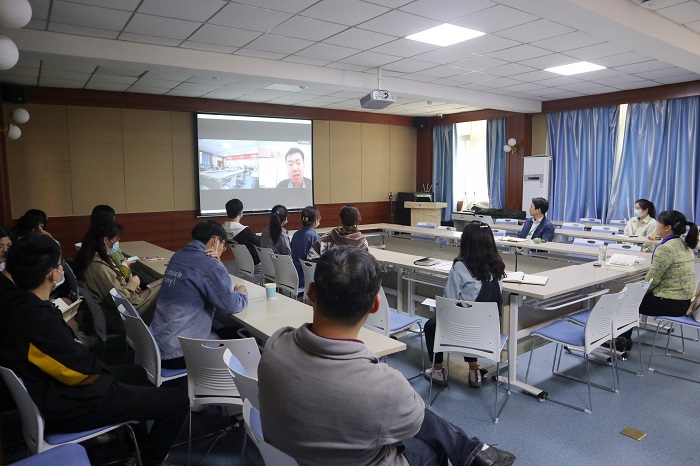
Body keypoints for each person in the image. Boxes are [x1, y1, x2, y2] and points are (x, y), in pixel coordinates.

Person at [258, 247, 516, 466]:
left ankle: (472, 451)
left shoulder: (274, 347)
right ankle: (472, 452)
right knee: (431, 446)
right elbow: (415, 424)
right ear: (374, 305)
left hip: (292, 456)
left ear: (312, 292)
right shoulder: (383, 385)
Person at [0, 234, 189, 466]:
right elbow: (83, 372)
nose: (62, 269)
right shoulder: (37, 320)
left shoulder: (18, 305)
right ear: (52, 274)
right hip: (73, 403)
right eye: (60, 264)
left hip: (54, 389)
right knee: (177, 402)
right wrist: (77, 347)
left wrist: (74, 346)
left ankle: (136, 448)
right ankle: (150, 461)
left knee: (137, 373)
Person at [150, 221, 249, 370]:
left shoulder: (178, 255)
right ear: (216, 240)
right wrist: (241, 293)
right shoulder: (210, 264)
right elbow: (229, 306)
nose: (222, 250)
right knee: (244, 339)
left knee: (224, 330)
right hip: (179, 353)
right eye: (223, 245)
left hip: (158, 345)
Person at [423, 222, 506, 388]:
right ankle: (474, 370)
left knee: (431, 326)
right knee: (471, 317)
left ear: (466, 242)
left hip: (463, 331)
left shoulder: (460, 266)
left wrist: (451, 282)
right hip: (488, 332)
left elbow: (449, 301)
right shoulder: (498, 267)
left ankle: (438, 370)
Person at [617, 210, 698, 350]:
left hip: (670, 303)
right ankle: (623, 339)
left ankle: (622, 341)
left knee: (626, 298)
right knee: (632, 295)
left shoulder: (666, 248)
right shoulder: (684, 246)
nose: (656, 225)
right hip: (684, 303)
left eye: (659, 223)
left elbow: (652, 281)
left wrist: (636, 292)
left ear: (668, 228)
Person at [74, 221, 160, 326]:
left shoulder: (89, 258)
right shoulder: (99, 267)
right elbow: (119, 298)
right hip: (122, 314)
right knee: (164, 285)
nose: (118, 243)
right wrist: (132, 283)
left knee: (158, 285)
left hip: (113, 311)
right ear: (106, 240)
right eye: (116, 240)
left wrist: (130, 286)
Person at [224, 198, 261, 265]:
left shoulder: (223, 229)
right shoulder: (244, 231)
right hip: (256, 263)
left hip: (242, 263)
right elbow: (260, 244)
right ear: (240, 212)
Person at [290, 206, 321, 288]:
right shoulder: (315, 237)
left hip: (294, 276)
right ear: (315, 220)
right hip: (307, 278)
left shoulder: (296, 234)